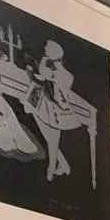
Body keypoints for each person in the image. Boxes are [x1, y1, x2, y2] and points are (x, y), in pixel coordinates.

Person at [27, 41, 81, 181]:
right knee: (48, 138)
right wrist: (34, 73)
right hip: (40, 101)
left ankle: (51, 168)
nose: (44, 49)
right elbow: (42, 76)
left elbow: (63, 80)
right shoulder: (46, 60)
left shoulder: (59, 69)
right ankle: (63, 165)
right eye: (45, 48)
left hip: (54, 108)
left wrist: (49, 76)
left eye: (47, 48)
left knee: (53, 140)